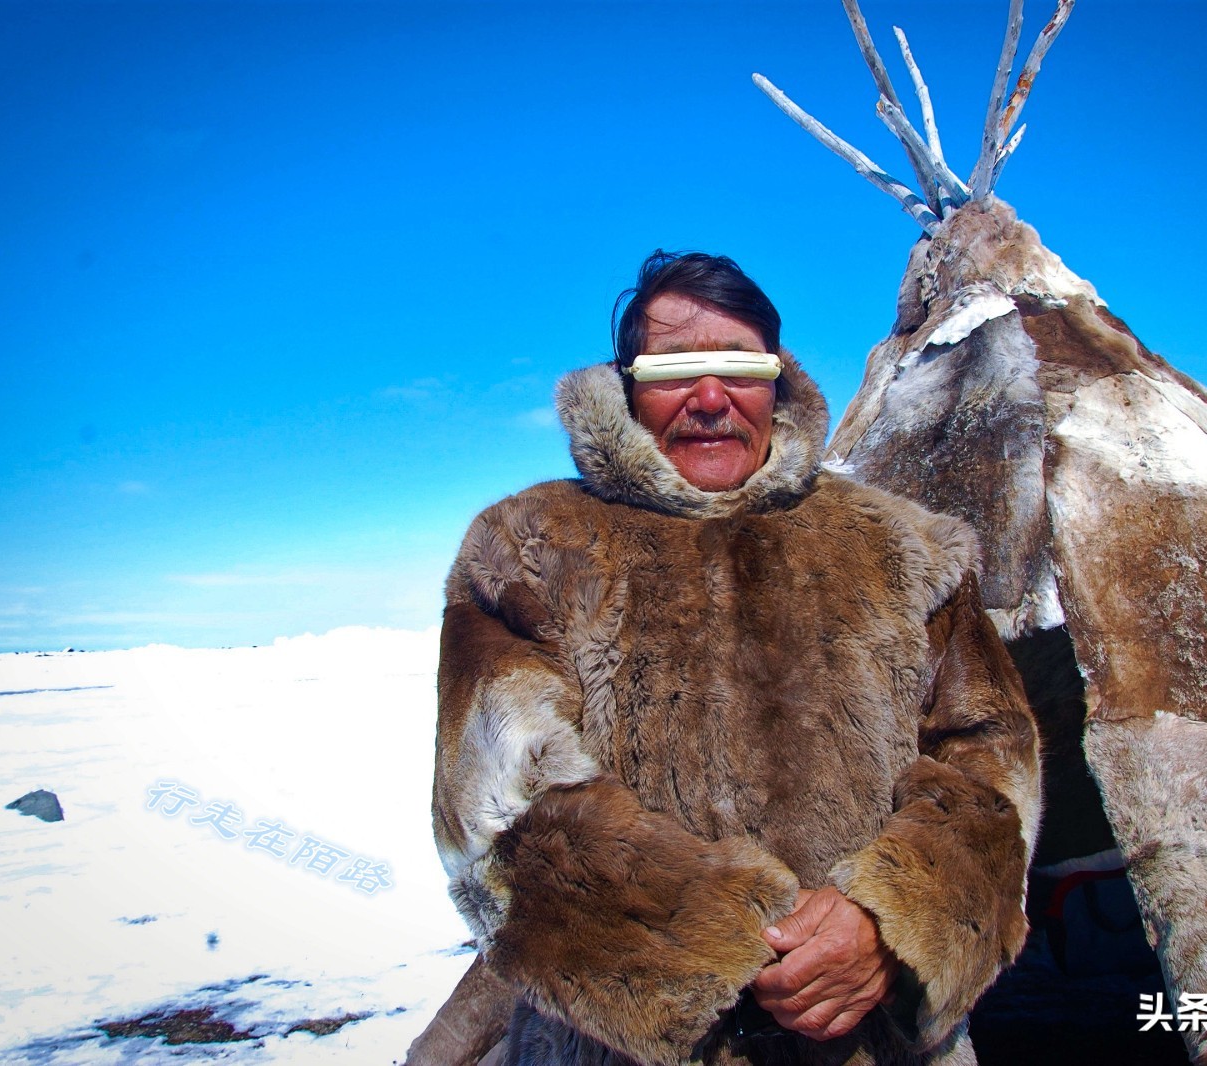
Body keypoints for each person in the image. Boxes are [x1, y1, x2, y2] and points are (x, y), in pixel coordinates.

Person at [420, 251, 1041, 1066]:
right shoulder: (528, 549)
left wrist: (891, 922)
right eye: (677, 368)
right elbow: (496, 808)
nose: (710, 398)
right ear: (628, 385)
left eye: (739, 367)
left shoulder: (908, 548)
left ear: (777, 382)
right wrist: (713, 939)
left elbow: (991, 757)